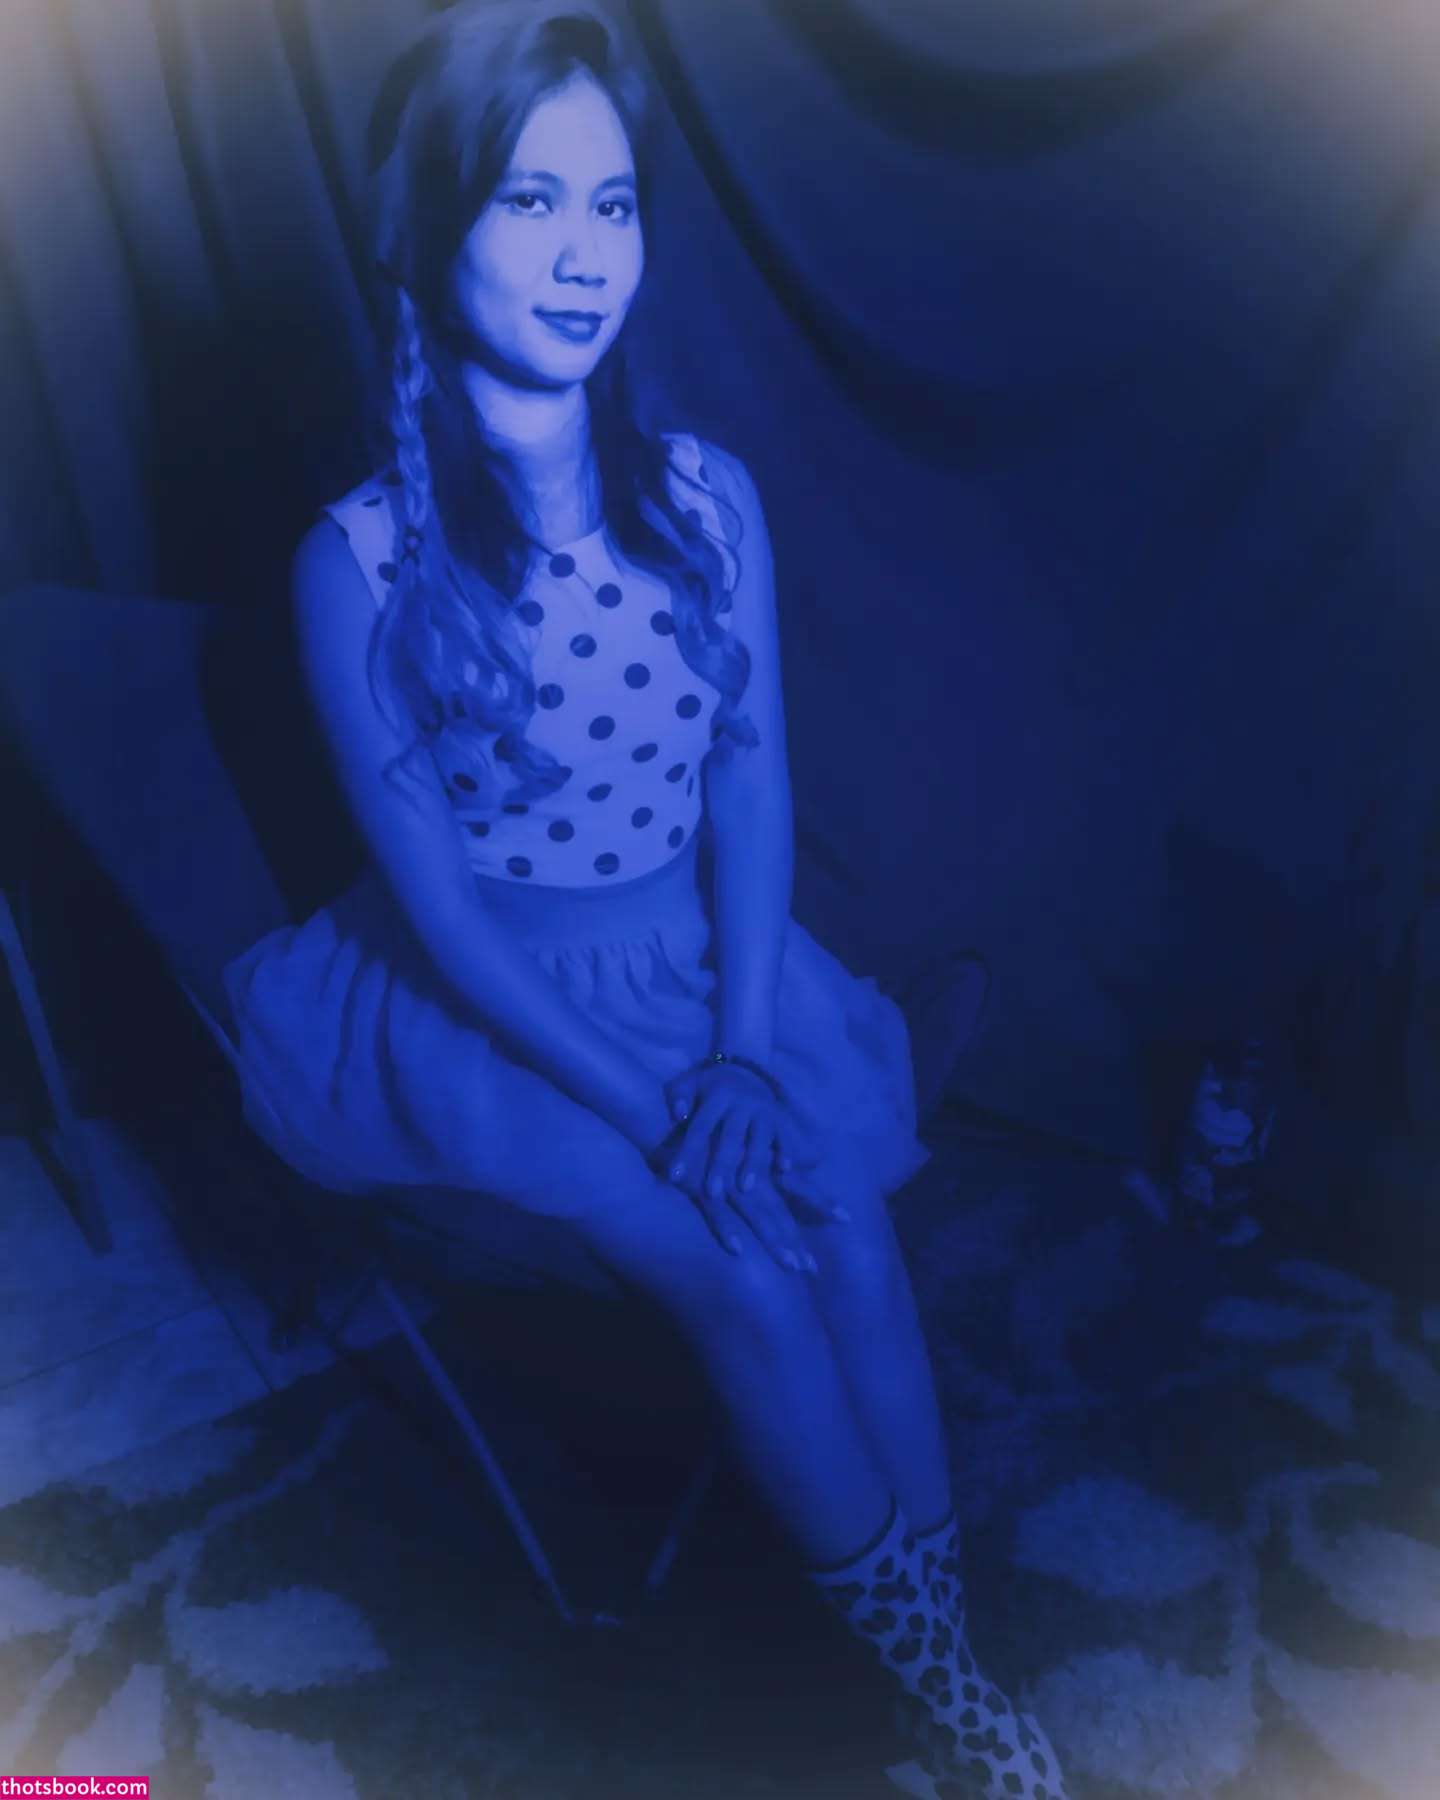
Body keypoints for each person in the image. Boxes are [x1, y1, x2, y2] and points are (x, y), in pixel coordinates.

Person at [223, 6, 1068, 1796]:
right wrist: (658, 1107)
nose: (582, 255)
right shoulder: (356, 560)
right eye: (528, 201)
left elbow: (750, 785)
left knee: (845, 1223)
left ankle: (949, 1670)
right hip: (496, 1010)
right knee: (744, 1270)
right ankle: (941, 1698)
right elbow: (444, 919)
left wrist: (741, 1055)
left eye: (611, 206)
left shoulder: (707, 499)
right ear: (425, 229)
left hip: (699, 968)